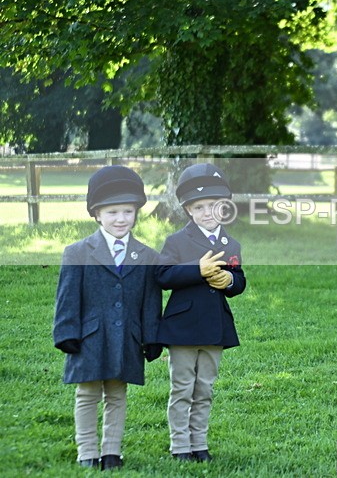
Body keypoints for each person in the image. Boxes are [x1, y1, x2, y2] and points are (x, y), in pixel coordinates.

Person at [53, 165, 162, 470]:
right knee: (87, 393)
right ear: (97, 214)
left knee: (117, 393)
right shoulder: (78, 252)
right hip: (88, 337)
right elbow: (67, 297)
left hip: (127, 336)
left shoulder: (147, 256)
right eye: (112, 212)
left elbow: (151, 301)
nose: (120, 219)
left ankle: (112, 451)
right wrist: (66, 332)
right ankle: (86, 452)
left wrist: (152, 336)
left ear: (136, 213)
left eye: (127, 211)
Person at [156, 163, 246, 462]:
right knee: (182, 389)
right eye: (199, 207)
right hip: (182, 329)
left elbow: (239, 281)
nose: (208, 213)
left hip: (213, 328)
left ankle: (199, 444)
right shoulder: (176, 241)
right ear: (188, 210)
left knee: (204, 389)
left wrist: (230, 280)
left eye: (214, 206)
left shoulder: (230, 243)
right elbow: (164, 276)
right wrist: (197, 270)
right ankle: (180, 446)